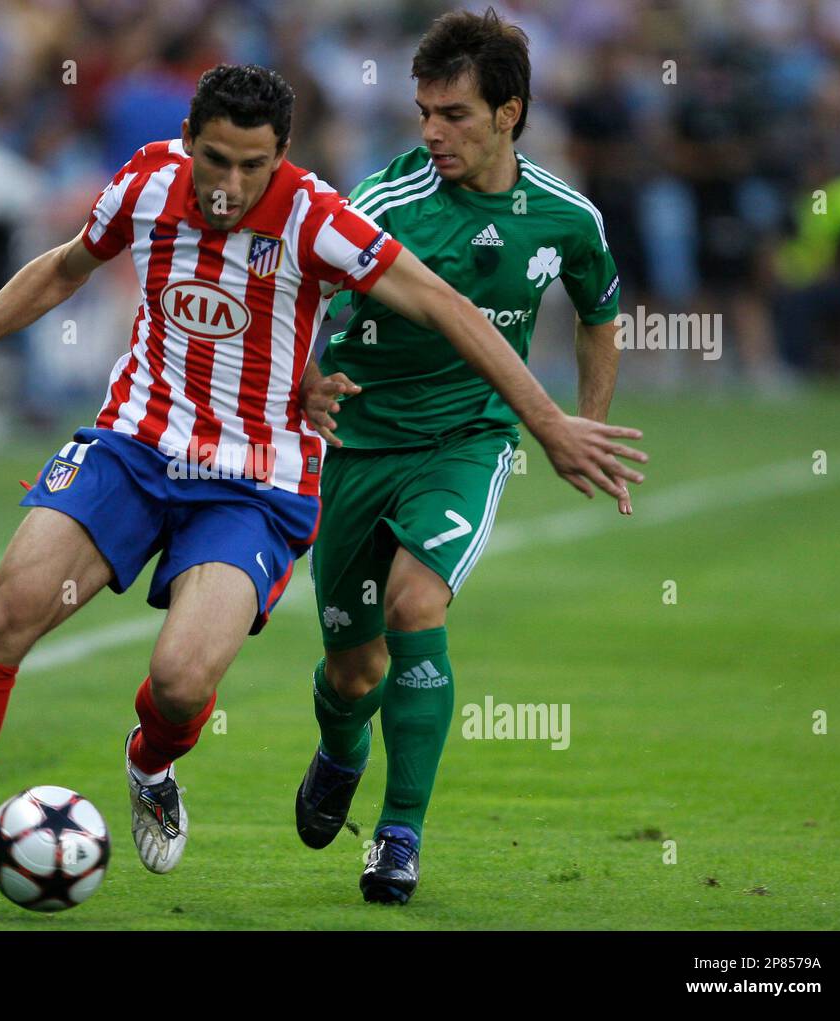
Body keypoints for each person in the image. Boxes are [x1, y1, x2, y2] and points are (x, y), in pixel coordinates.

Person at [0, 63, 645, 905]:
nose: (232, 185)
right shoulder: (144, 181)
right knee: (5, 613)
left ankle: (150, 759)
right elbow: (68, 265)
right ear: (189, 142)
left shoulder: (317, 215)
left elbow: (447, 308)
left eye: (254, 166)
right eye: (216, 160)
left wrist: (550, 423)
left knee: (182, 681)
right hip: (133, 447)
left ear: (282, 154)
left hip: (253, 482)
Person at [293, 8, 636, 905]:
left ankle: (399, 834)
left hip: (469, 439)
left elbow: (599, 310)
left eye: (454, 114)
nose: (434, 131)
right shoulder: (382, 205)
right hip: (357, 444)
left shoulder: (564, 216)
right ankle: (340, 745)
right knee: (352, 669)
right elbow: (293, 292)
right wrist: (304, 382)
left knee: (416, 605)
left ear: (509, 113)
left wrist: (584, 425)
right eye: (424, 114)